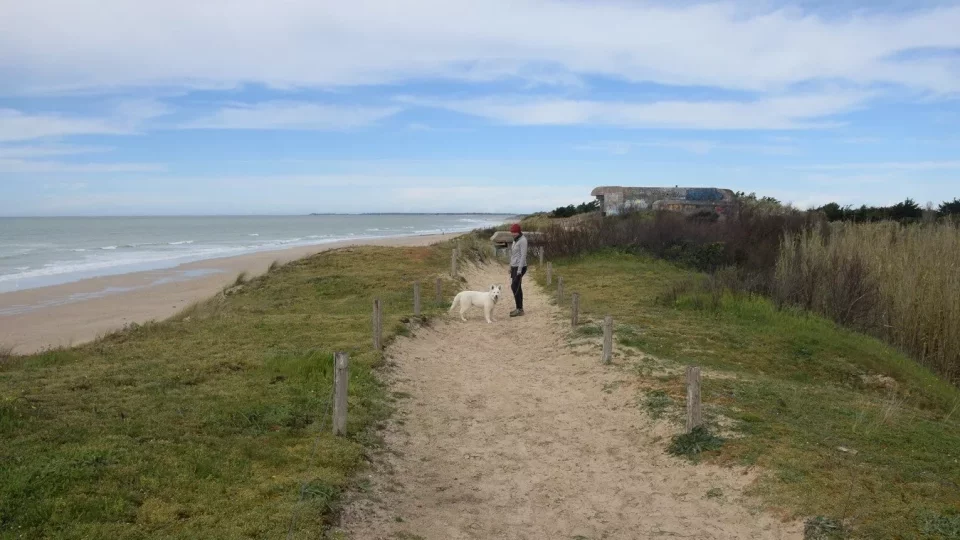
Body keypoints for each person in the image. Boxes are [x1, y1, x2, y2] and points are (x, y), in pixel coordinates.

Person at [508, 223, 528, 317]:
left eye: (515, 232)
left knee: (514, 286)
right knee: (517, 287)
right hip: (514, 266)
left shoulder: (523, 240)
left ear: (519, 231)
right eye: (512, 232)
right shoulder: (515, 240)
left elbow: (523, 256)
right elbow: (513, 254)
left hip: (521, 267)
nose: (513, 234)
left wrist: (519, 270)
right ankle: (519, 308)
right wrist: (510, 267)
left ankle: (520, 309)